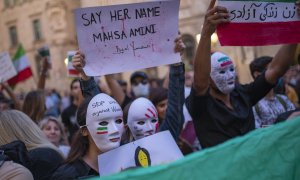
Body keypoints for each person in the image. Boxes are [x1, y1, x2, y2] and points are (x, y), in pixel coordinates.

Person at [186, 0, 300, 148]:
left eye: (231, 69)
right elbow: (200, 82)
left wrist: (296, 28)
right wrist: (206, 35)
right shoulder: (201, 105)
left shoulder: (243, 95)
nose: (228, 76)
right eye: (221, 71)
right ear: (209, 77)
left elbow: (275, 70)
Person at [73, 37, 185, 144]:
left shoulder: (166, 137)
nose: (150, 128)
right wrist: (85, 74)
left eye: (153, 120)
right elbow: (98, 108)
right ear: (126, 126)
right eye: (141, 122)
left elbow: (175, 104)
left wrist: (175, 61)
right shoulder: (120, 148)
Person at [52, 93, 124, 179]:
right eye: (103, 123)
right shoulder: (67, 175)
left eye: (118, 121)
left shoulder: (129, 164)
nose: (115, 130)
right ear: (85, 131)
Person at [0, 110, 63, 180]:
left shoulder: (35, 158)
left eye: (56, 129)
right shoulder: (47, 153)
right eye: (48, 128)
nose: (53, 132)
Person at [250, 56, 295, 128]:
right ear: (257, 74)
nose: (276, 73)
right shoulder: (252, 106)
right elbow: (257, 132)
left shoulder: (283, 99)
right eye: (271, 69)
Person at [61, 79, 84, 143]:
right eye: (75, 87)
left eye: (81, 87)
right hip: (75, 146)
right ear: (71, 92)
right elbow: (64, 132)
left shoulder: (90, 107)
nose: (79, 90)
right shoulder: (66, 112)